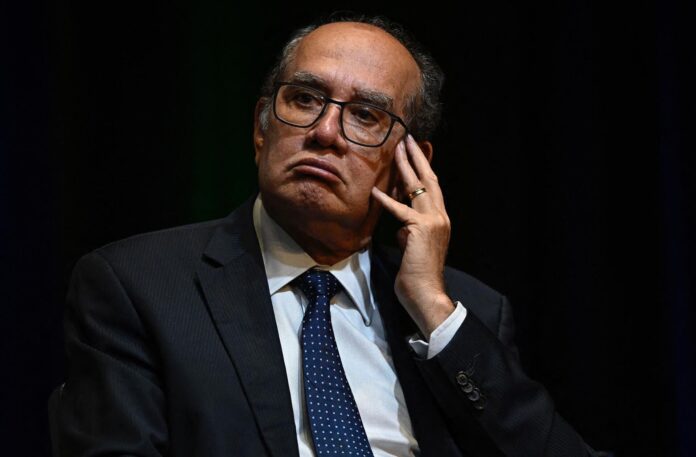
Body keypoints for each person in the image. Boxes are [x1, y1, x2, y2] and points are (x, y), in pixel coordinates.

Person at [54, 13, 597, 457]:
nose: (325, 131)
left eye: (365, 115)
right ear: (261, 129)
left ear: (410, 166)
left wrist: (433, 308)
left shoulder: (464, 313)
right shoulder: (140, 285)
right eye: (305, 99)